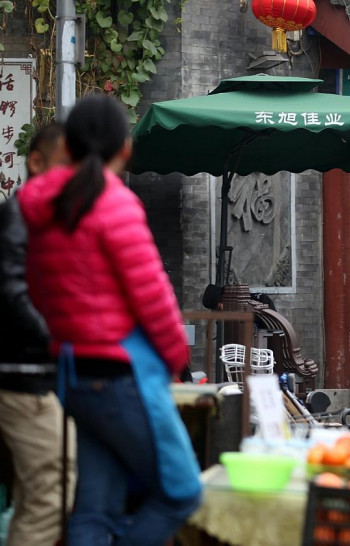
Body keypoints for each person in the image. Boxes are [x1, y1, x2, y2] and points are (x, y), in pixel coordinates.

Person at [18, 95, 201, 546]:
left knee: (95, 511)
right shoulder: (113, 203)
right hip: (122, 376)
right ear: (124, 147)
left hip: (73, 374)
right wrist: (179, 356)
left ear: (72, 146)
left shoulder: (39, 208)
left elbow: (38, 293)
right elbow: (153, 296)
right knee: (181, 493)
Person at [0, 124, 74, 546]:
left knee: (42, 488)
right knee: (52, 485)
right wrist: (56, 337)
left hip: (32, 371)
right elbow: (10, 294)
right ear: (37, 162)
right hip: (21, 374)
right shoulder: (20, 216)